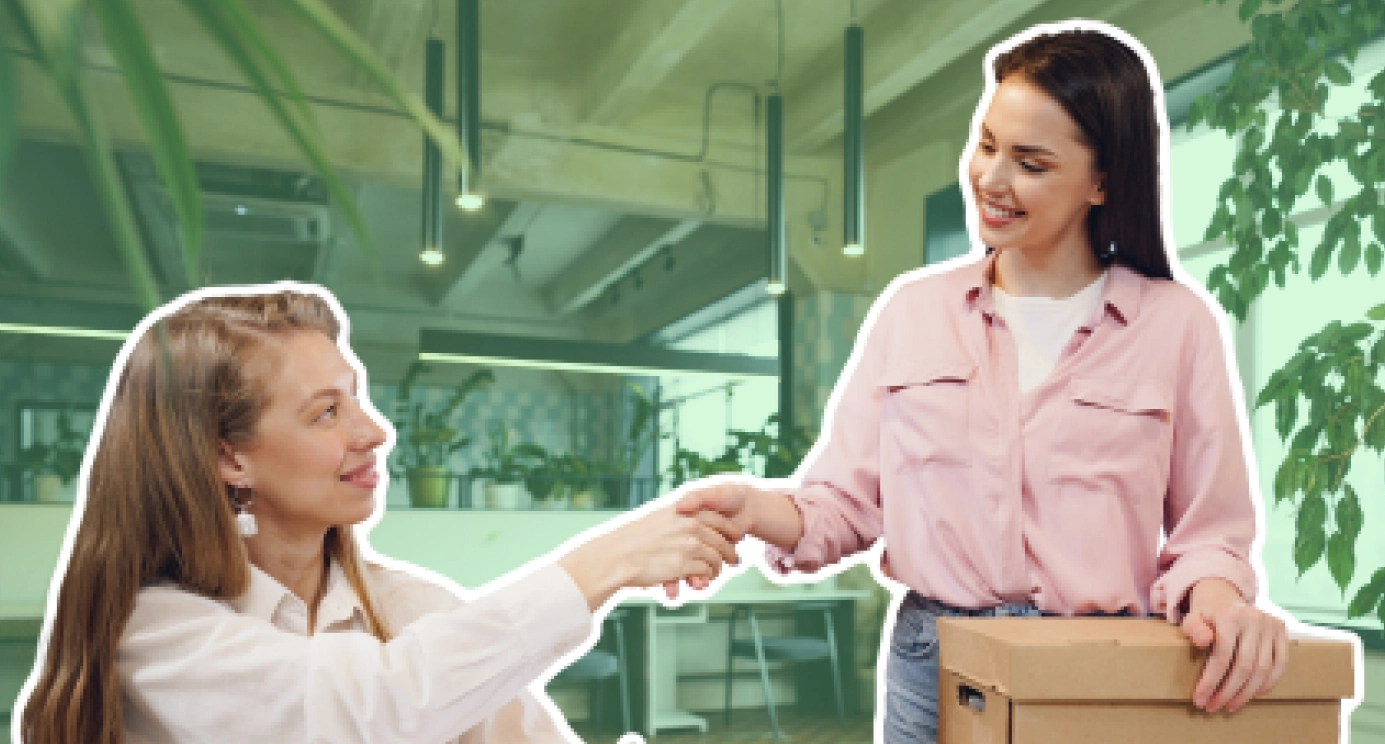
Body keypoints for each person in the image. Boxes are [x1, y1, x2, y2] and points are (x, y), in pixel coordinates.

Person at [672, 24, 1289, 743]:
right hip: (933, 667)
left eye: (1030, 162)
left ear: (1103, 181)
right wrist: (755, 508)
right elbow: (843, 504)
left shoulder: (1176, 326)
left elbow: (1212, 532)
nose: (991, 179)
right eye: (987, 143)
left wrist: (1219, 599)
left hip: (1098, 670)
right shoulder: (913, 311)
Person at [16, 286, 739, 744]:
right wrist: (602, 563)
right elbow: (366, 712)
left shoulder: (413, 608)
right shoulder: (155, 634)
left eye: (356, 397)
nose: (374, 432)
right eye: (327, 411)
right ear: (230, 458)